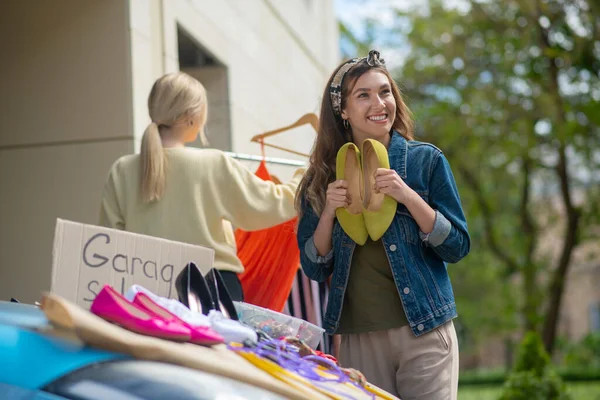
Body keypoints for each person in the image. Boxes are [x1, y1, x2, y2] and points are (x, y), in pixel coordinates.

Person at [295, 50, 470, 399]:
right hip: (360, 339)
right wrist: (329, 211)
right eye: (363, 95)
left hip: (425, 330)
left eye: (385, 91)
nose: (379, 103)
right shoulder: (321, 179)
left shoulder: (426, 161)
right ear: (342, 110)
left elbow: (457, 245)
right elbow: (314, 266)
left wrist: (408, 196)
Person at [100, 72, 304, 302]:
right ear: (192, 117)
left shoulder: (121, 170)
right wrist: (307, 175)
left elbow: (110, 242)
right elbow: (270, 204)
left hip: (143, 293)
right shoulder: (213, 164)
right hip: (210, 291)